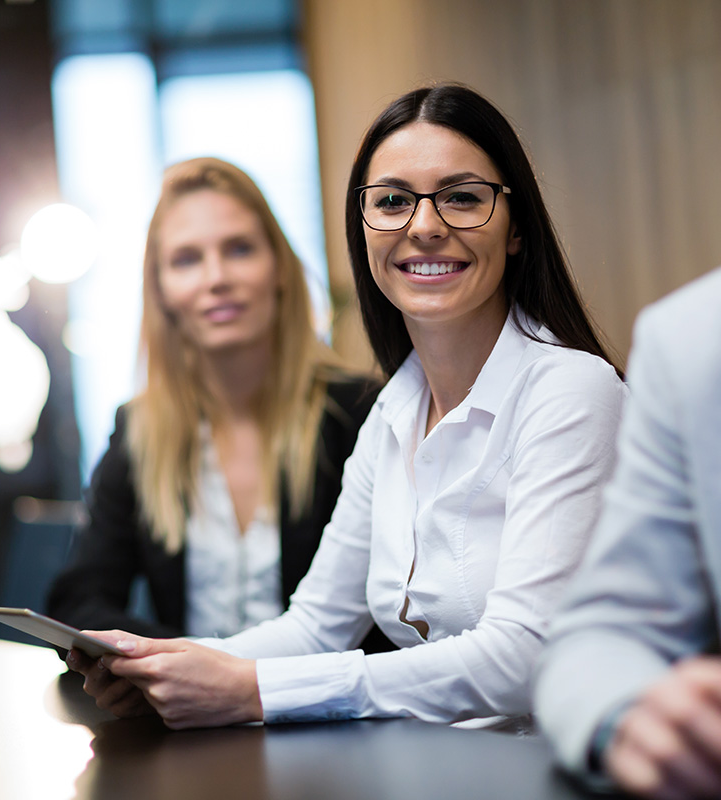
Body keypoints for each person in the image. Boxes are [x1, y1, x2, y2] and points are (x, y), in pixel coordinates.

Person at [67, 83, 626, 731]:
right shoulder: (394, 411)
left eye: (462, 197)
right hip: (431, 765)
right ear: (363, 233)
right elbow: (315, 626)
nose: (424, 226)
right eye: (392, 201)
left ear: (516, 229)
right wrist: (159, 666)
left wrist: (252, 689)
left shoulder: (571, 392)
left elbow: (523, 655)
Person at [46, 157, 389, 651]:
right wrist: (190, 668)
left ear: (280, 268)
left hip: (331, 699)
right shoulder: (140, 429)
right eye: (186, 259)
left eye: (239, 249)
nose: (216, 277)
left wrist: (207, 669)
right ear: (161, 290)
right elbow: (78, 604)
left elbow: (392, 623)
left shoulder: (363, 413)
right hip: (184, 701)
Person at [534, 266, 721, 799]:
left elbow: (518, 642)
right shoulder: (692, 340)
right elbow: (605, 630)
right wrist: (630, 716)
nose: (425, 229)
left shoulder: (574, 386)